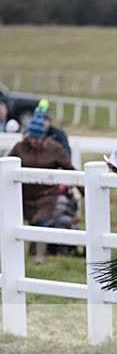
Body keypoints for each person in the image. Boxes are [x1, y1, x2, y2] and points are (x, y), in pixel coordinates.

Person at [8, 111, 80, 264]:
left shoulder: (54, 148)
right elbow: (6, 165)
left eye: (37, 137)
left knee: (41, 221)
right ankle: (20, 254)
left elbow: (69, 167)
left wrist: (82, 188)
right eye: (31, 137)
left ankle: (39, 258)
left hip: (46, 194)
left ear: (43, 137)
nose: (34, 141)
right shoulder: (19, 147)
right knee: (23, 222)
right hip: (24, 193)